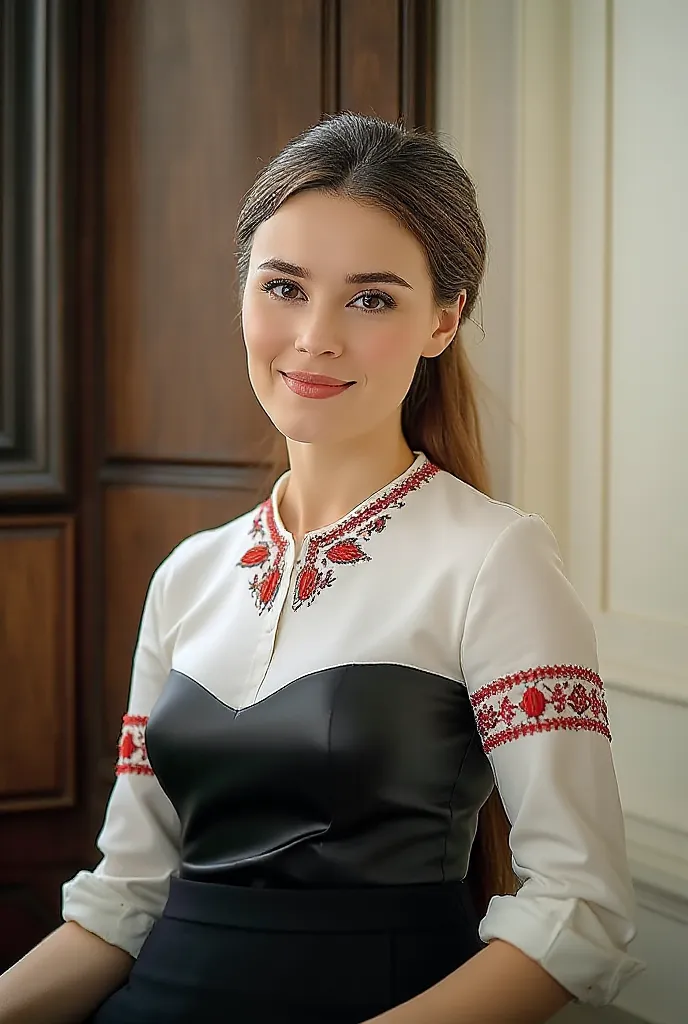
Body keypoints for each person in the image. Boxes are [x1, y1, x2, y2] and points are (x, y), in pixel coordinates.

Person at [0, 113, 644, 1024]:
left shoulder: (497, 559)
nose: (315, 336)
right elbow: (123, 901)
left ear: (444, 319)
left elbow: (581, 908)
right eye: (284, 287)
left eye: (372, 298)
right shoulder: (188, 574)